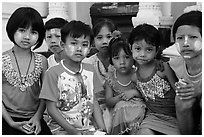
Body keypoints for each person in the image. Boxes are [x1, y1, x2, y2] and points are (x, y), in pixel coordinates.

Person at [39, 20, 106, 135]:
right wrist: (74, 132)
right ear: (63, 45)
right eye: (74, 43)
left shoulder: (90, 70)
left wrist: (102, 128)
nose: (79, 48)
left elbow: (93, 101)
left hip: (87, 128)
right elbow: (51, 109)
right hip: (61, 130)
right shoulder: (53, 73)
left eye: (84, 44)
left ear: (90, 48)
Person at [2, 7, 51, 135]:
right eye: (22, 30)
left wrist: (37, 117)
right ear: (12, 30)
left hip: (34, 119)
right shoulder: (1, 60)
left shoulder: (42, 61)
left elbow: (45, 94)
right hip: (5, 118)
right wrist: (10, 122)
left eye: (33, 32)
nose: (27, 37)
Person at [129, 23, 180, 135]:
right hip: (153, 117)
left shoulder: (162, 68)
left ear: (156, 51)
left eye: (149, 50)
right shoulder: (134, 76)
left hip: (173, 117)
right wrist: (134, 92)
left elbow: (178, 92)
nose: (142, 54)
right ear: (130, 48)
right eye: (138, 48)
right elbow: (145, 94)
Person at [82, 18, 120, 132]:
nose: (105, 41)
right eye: (99, 37)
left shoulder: (121, 61)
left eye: (109, 37)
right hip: (95, 107)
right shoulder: (88, 63)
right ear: (93, 41)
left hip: (116, 104)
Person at [169, 10, 202, 135]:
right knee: (181, 99)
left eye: (193, 37)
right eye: (180, 38)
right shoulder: (174, 64)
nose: (186, 43)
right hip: (193, 114)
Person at [105, 37, 146, 135]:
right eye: (116, 58)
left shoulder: (138, 74)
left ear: (133, 57)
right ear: (111, 60)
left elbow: (147, 94)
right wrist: (121, 97)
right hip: (120, 113)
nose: (122, 62)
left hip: (138, 110)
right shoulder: (111, 78)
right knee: (121, 106)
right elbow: (109, 102)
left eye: (127, 57)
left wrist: (134, 92)